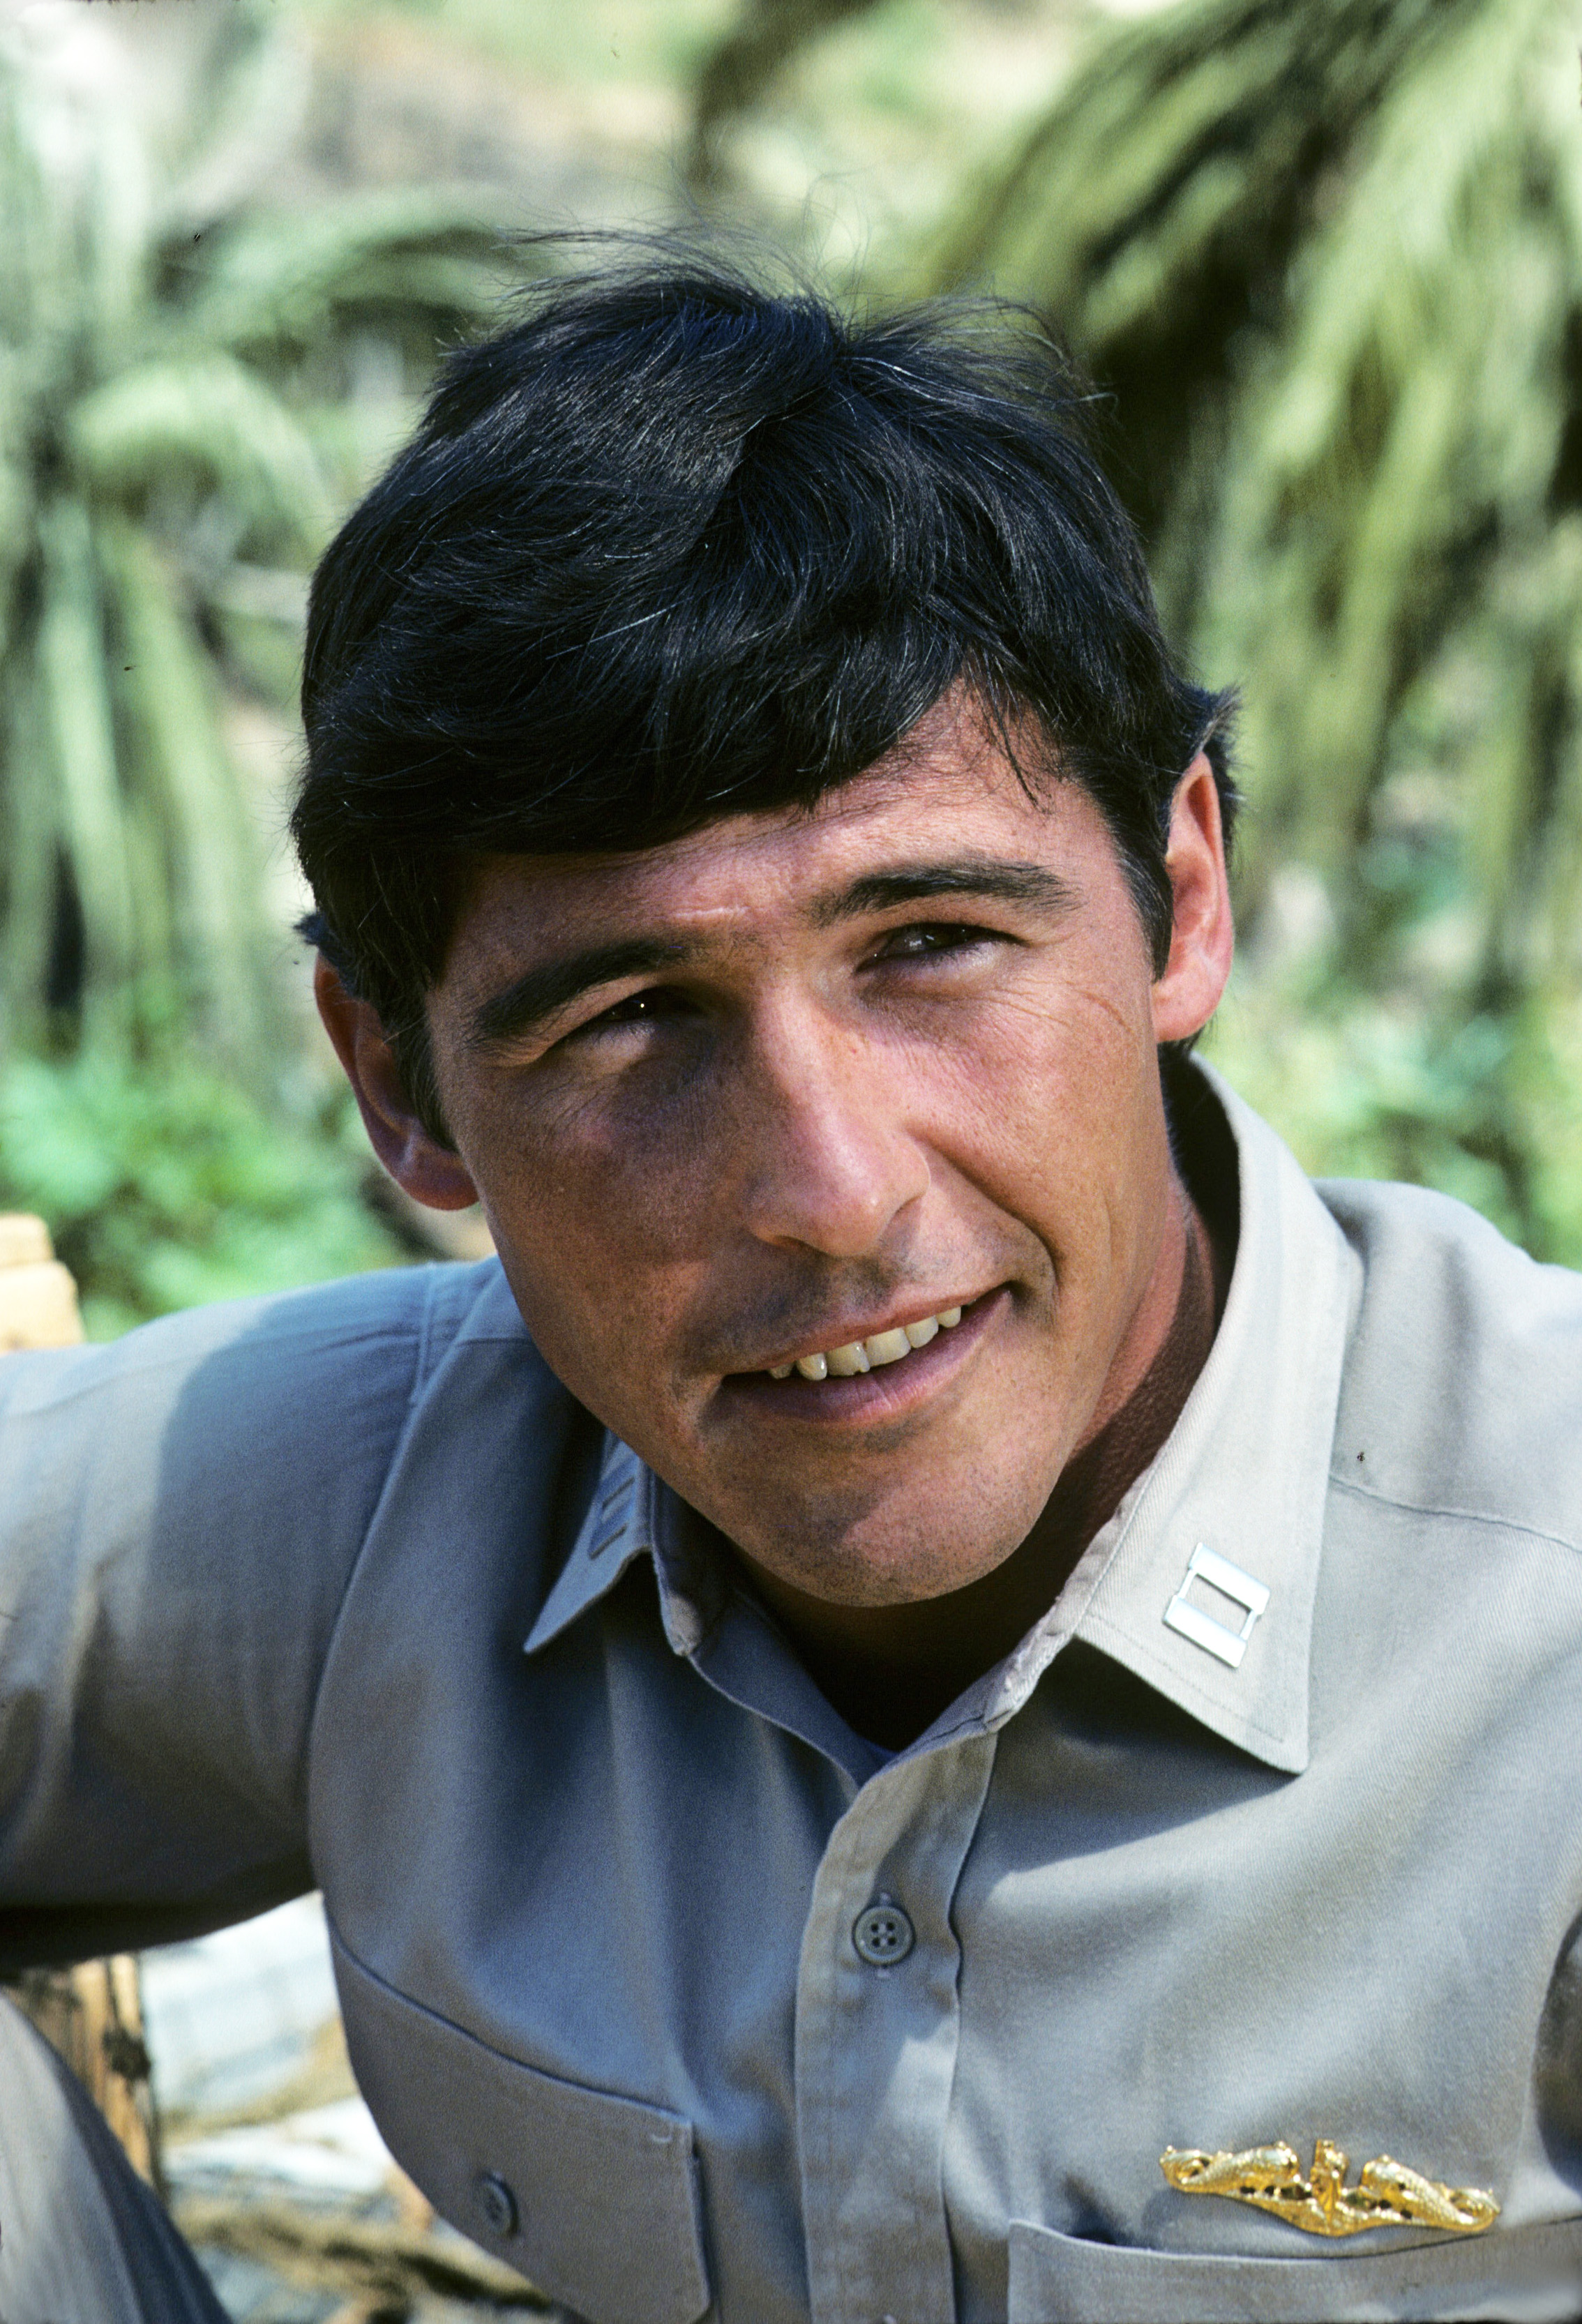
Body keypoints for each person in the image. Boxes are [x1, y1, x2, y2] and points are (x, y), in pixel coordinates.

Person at [2, 255, 1581, 2324]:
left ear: (1178, 897)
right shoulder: (364, 1499)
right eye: (630, 1020)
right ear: (401, 1088)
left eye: (930, 943)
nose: (829, 1195)